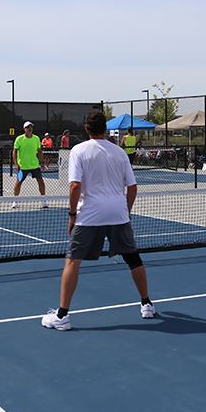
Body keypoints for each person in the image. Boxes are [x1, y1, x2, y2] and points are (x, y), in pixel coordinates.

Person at [41, 112, 155, 331]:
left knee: (72, 261)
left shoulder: (78, 150)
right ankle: (146, 304)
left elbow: (75, 186)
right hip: (118, 214)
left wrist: (72, 214)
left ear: (86, 128)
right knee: (133, 259)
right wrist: (126, 212)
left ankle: (62, 316)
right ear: (105, 128)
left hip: (89, 215)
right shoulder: (120, 152)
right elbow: (132, 188)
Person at [12, 121, 47, 209]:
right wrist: (16, 164)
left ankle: (43, 200)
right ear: (24, 129)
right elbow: (14, 152)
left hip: (35, 166)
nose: (29, 128)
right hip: (22, 167)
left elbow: (39, 151)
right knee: (18, 182)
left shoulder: (36, 138)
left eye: (31, 127)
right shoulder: (19, 139)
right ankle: (15, 201)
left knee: (41, 182)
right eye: (27, 127)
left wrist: (42, 163)